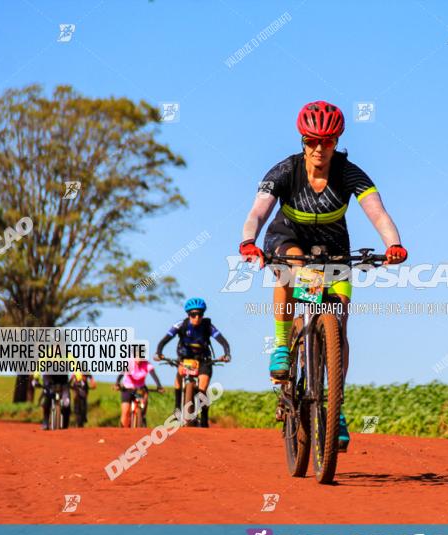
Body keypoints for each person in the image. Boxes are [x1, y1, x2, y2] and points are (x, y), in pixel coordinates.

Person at [238, 100, 407, 450]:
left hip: (333, 245)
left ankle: (335, 407)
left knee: (340, 321)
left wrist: (393, 244)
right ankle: (283, 345)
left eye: (327, 141)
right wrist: (248, 241)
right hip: (289, 236)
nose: (319, 148)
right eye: (312, 140)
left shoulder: (350, 173)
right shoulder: (284, 171)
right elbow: (257, 211)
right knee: (288, 269)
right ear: (303, 140)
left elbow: (378, 213)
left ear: (337, 140)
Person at [153, 297, 231, 427]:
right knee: (178, 377)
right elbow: (164, 340)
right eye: (193, 314)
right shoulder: (181, 325)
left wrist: (227, 354)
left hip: (204, 360)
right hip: (185, 358)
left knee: (202, 388)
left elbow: (223, 341)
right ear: (188, 315)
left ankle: (204, 417)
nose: (196, 317)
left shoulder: (208, 326)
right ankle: (177, 410)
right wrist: (159, 352)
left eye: (200, 314)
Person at [114, 358, 163, 428]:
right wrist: (117, 383)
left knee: (145, 397)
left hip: (140, 388)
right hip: (127, 388)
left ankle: (142, 416)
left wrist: (159, 386)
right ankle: (122, 431)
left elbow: (154, 375)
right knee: (125, 411)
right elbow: (121, 374)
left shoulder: (147, 364)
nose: (138, 359)